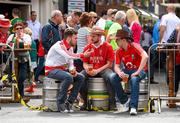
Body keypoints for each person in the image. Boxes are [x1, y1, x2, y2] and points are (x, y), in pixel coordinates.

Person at [45, 28, 89, 113]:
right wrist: (83, 55)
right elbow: (68, 56)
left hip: (62, 70)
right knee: (68, 77)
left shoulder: (70, 48)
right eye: (75, 38)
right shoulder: (59, 45)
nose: (76, 40)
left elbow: (70, 62)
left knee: (80, 77)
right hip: (51, 70)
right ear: (69, 38)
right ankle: (60, 103)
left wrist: (72, 69)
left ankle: (69, 102)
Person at [111, 29, 148, 115]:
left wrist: (138, 71)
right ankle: (125, 101)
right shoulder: (118, 51)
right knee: (113, 78)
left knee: (134, 80)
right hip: (128, 70)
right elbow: (116, 66)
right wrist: (120, 73)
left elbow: (145, 56)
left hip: (140, 70)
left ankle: (133, 107)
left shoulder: (135, 46)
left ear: (123, 40)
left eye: (117, 40)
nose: (115, 41)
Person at [80, 26, 115, 110]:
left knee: (111, 77)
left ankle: (112, 103)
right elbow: (84, 62)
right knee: (80, 77)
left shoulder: (108, 46)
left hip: (103, 69)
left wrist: (97, 70)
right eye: (91, 36)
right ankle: (85, 102)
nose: (91, 38)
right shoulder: (87, 47)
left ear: (99, 36)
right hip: (91, 69)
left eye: (93, 36)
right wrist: (87, 68)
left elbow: (109, 64)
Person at [7, 22, 32, 102]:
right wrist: (14, 40)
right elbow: (8, 45)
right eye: (17, 28)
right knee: (13, 78)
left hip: (23, 59)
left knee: (22, 77)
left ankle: (21, 95)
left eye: (20, 28)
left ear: (23, 29)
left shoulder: (26, 36)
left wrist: (21, 38)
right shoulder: (12, 36)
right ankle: (14, 94)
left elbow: (28, 44)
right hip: (14, 59)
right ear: (14, 30)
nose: (19, 30)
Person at [167, 24, 180, 97]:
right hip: (178, 57)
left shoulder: (177, 29)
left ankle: (173, 94)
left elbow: (169, 42)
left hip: (178, 57)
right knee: (176, 76)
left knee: (176, 76)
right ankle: (173, 93)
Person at [0, 18, 12, 90]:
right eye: (7, 27)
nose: (8, 28)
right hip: (1, 54)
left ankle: (1, 85)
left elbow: (6, 43)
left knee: (4, 70)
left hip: (3, 55)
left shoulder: (6, 34)